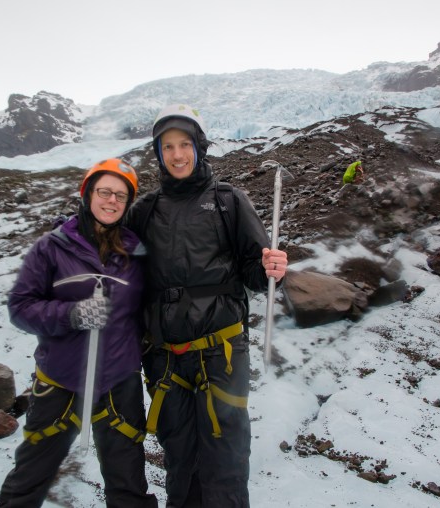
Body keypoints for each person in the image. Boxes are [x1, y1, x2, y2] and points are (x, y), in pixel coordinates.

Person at [126, 104, 288, 508]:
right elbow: (117, 262)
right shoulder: (144, 210)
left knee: (225, 455)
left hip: (222, 352)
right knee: (179, 456)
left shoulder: (228, 201)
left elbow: (255, 271)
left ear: (199, 147)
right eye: (167, 147)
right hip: (164, 358)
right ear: (158, 153)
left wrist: (270, 268)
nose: (177, 154)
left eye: (184, 144)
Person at [0, 159, 157, 508]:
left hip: (119, 382)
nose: (112, 201)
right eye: (104, 192)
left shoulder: (138, 252)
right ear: (88, 194)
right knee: (29, 479)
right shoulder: (52, 247)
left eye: (121, 195)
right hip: (61, 379)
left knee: (128, 484)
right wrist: (71, 314)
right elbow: (20, 308)